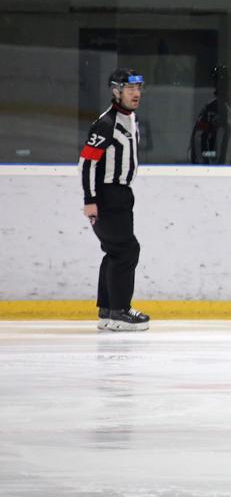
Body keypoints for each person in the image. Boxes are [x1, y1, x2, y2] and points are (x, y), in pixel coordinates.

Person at [79, 68, 151, 332]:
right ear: (116, 91)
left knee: (116, 251)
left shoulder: (131, 119)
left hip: (121, 195)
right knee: (126, 250)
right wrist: (90, 199)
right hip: (107, 195)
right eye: (130, 89)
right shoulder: (106, 123)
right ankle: (120, 311)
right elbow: (87, 163)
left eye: (138, 88)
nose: (136, 93)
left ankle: (108, 310)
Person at [189, 64, 231, 165]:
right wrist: (207, 168)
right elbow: (200, 138)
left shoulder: (225, 110)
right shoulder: (214, 110)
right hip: (213, 171)